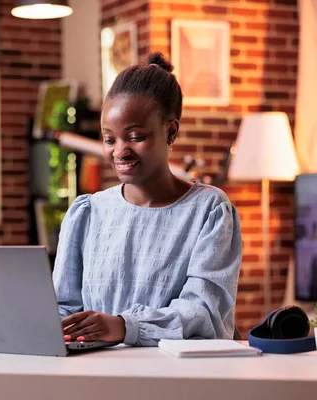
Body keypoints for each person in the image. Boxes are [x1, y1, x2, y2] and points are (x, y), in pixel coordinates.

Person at [52, 52, 243, 347]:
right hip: (95, 376)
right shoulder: (87, 213)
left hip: (178, 378)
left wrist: (124, 327)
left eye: (135, 136)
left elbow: (205, 314)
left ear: (170, 131)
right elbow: (63, 309)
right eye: (109, 139)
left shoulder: (209, 210)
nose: (120, 151)